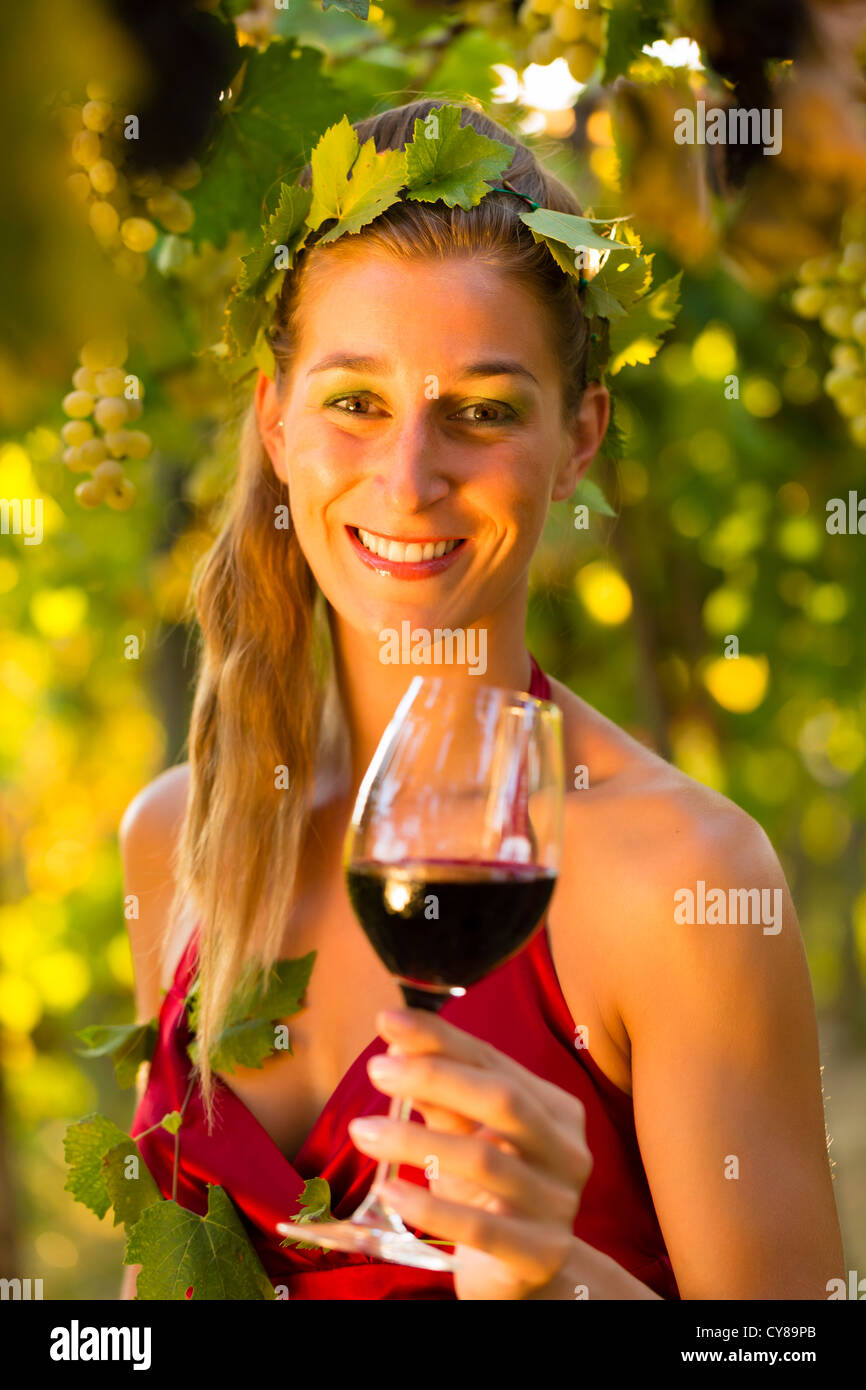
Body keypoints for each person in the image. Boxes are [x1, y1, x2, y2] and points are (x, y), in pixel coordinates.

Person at [119, 97, 844, 1300]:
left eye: (483, 410)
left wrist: (554, 1279)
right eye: (354, 399)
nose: (408, 478)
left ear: (576, 442)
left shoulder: (684, 877)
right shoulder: (174, 840)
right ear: (275, 417)